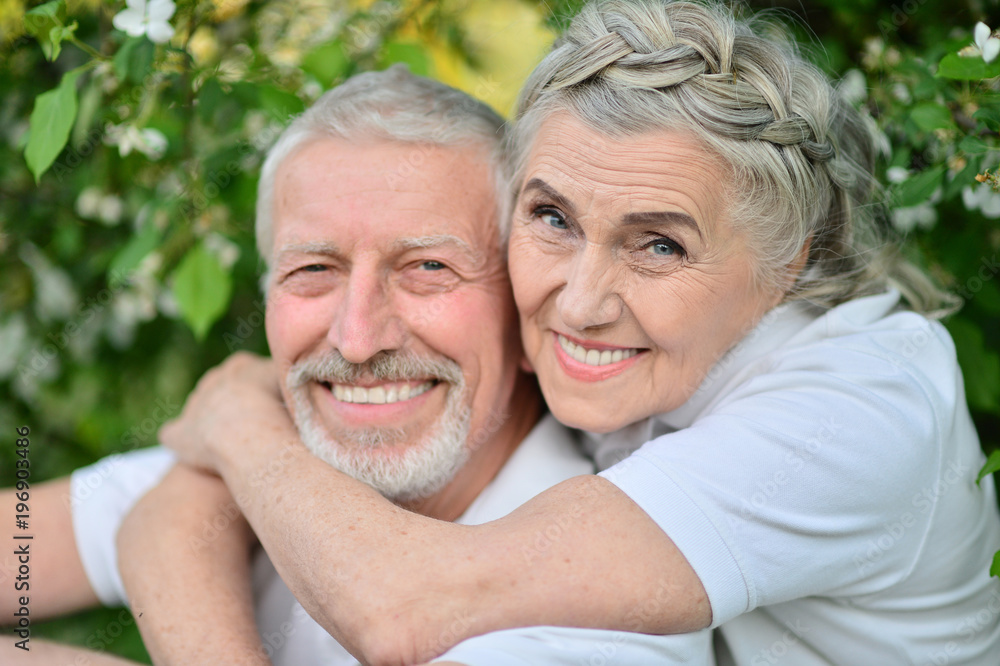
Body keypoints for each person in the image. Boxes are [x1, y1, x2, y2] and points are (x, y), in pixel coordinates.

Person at [122, 1, 1000, 664]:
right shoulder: (608, 355)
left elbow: (402, 605)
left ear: (788, 261)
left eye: (658, 243)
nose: (578, 304)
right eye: (553, 218)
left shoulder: (852, 413)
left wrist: (244, 430)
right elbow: (162, 514)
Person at [1, 65, 717, 665]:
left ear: (530, 310)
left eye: (429, 267)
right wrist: (184, 505)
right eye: (313, 270)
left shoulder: (598, 609)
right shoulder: (261, 436)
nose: (355, 338)